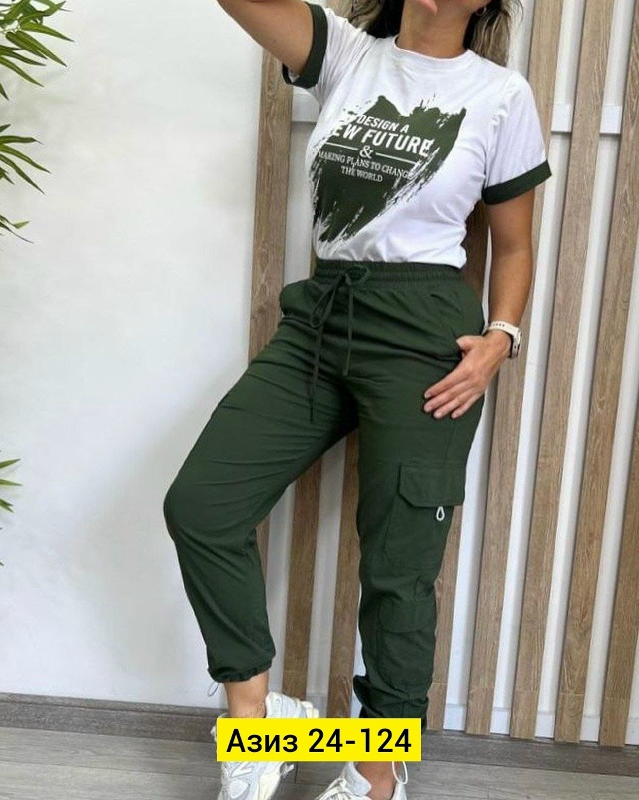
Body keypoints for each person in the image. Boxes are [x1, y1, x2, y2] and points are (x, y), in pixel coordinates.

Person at [162, 0, 552, 799]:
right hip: (322, 318)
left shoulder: (500, 94)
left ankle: (376, 776)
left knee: (400, 568)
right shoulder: (345, 53)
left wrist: (501, 337)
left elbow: (513, 244)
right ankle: (256, 725)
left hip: (425, 333)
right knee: (202, 506)